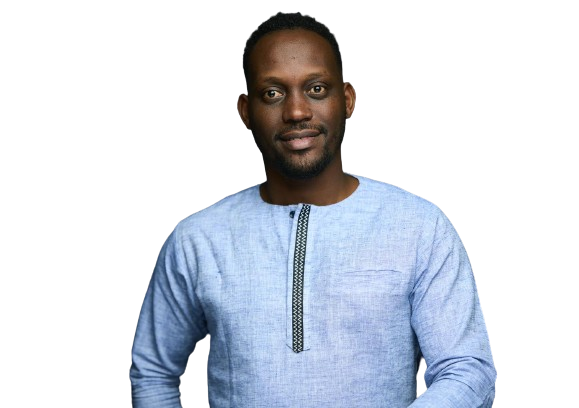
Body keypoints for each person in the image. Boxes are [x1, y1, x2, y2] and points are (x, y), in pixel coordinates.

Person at [129, 11, 497, 407]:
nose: (296, 112)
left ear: (347, 99)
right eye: (273, 93)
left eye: (316, 89)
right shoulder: (197, 239)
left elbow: (467, 371)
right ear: (245, 110)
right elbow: (153, 374)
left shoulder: (420, 226)